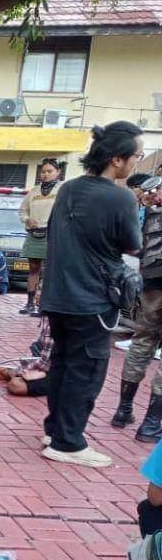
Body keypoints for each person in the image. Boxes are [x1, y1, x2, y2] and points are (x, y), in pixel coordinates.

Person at [42, 122, 143, 468]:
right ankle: (68, 442)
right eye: (136, 156)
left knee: (62, 363)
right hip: (92, 297)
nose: (136, 162)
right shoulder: (120, 196)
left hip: (58, 294)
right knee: (85, 371)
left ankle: (54, 431)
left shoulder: (68, 188)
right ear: (117, 159)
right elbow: (133, 243)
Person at [114, 173, 162, 442]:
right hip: (152, 281)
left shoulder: (149, 212)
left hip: (152, 282)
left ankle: (123, 410)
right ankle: (151, 424)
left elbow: (135, 247)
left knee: (142, 341)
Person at [18, 158, 62, 315]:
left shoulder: (62, 190)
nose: (46, 174)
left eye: (50, 171)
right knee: (33, 269)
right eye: (43, 171)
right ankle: (30, 304)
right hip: (34, 234)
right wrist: (27, 219)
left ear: (58, 172)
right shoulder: (34, 191)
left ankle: (45, 305)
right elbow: (22, 210)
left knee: (50, 271)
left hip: (53, 235)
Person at [0, 317, 51, 398]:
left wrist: (22, 371)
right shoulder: (48, 317)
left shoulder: (55, 317)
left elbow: (45, 362)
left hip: (58, 372)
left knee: (16, 385)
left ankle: (12, 374)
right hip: (50, 366)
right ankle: (13, 374)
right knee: (18, 381)